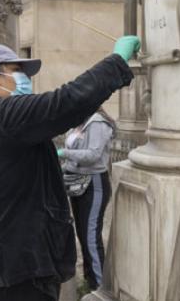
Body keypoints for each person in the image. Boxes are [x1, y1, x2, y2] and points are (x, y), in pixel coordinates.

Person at [0, 37, 139, 301]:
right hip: (4, 276)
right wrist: (116, 61)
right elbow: (65, 102)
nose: (23, 79)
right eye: (16, 71)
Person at [57, 109, 116, 291]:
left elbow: (93, 155)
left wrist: (64, 153)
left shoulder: (98, 122)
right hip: (77, 184)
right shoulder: (80, 119)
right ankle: (90, 284)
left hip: (94, 184)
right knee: (82, 235)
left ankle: (100, 288)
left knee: (91, 237)